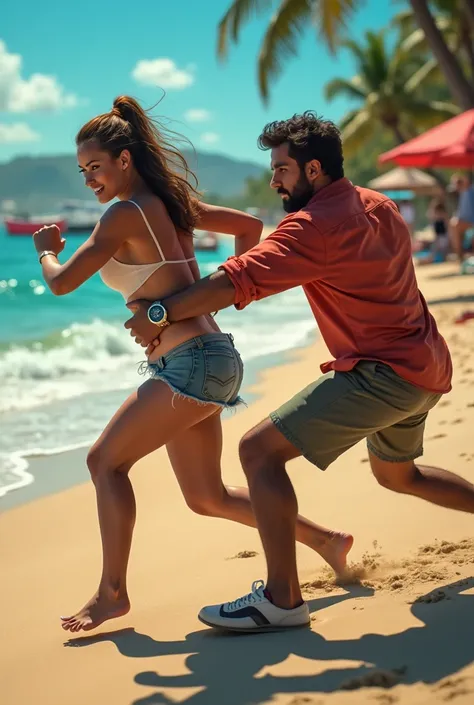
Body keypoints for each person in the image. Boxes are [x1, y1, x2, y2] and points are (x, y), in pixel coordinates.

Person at [126, 111, 474, 633]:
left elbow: (236, 278)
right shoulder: (381, 207)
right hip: (426, 365)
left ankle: (283, 601)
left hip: (384, 375)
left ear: (313, 170)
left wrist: (159, 312)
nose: (274, 180)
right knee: (399, 475)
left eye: (282, 170)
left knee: (258, 452)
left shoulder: (315, 227)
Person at [32, 98, 352, 633]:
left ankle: (112, 593)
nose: (90, 179)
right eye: (83, 171)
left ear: (126, 159)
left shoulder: (121, 214)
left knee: (103, 463)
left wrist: (45, 251)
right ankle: (326, 540)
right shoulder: (171, 202)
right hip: (214, 356)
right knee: (207, 496)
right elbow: (249, 227)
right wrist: (215, 299)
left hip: (190, 364)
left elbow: (63, 283)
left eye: (97, 167)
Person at [448, 172, 474, 264]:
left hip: (470, 222)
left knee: (454, 226)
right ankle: (460, 256)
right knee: (453, 225)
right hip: (467, 222)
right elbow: (461, 213)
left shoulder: (470, 192)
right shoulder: (463, 194)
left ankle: (460, 256)